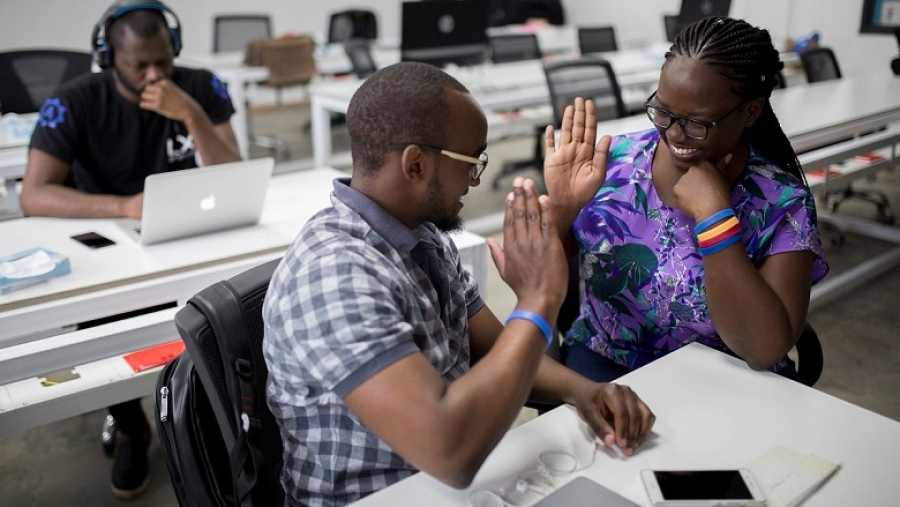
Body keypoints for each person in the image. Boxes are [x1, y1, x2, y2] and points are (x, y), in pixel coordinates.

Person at [263, 61, 655, 507]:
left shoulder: (422, 235)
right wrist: (539, 299)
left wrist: (582, 390)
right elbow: (449, 453)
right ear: (415, 164)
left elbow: (493, 350)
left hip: (450, 484)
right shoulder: (333, 275)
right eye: (473, 161)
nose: (477, 178)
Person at [20, 0, 240, 499]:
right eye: (138, 65)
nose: (154, 75)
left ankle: (200, 422)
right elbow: (34, 194)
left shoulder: (200, 86)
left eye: (162, 61)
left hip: (187, 241)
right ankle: (132, 428)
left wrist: (190, 115)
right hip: (107, 245)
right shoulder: (75, 100)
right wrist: (123, 205)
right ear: (107, 57)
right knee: (106, 337)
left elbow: (233, 170)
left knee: (223, 322)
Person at [543, 17, 830, 383]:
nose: (673, 133)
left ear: (751, 111)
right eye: (663, 111)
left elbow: (762, 349)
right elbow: (537, 274)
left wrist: (714, 217)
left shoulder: (782, 202)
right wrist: (562, 209)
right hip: (607, 364)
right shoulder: (612, 164)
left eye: (698, 122)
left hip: (727, 379)